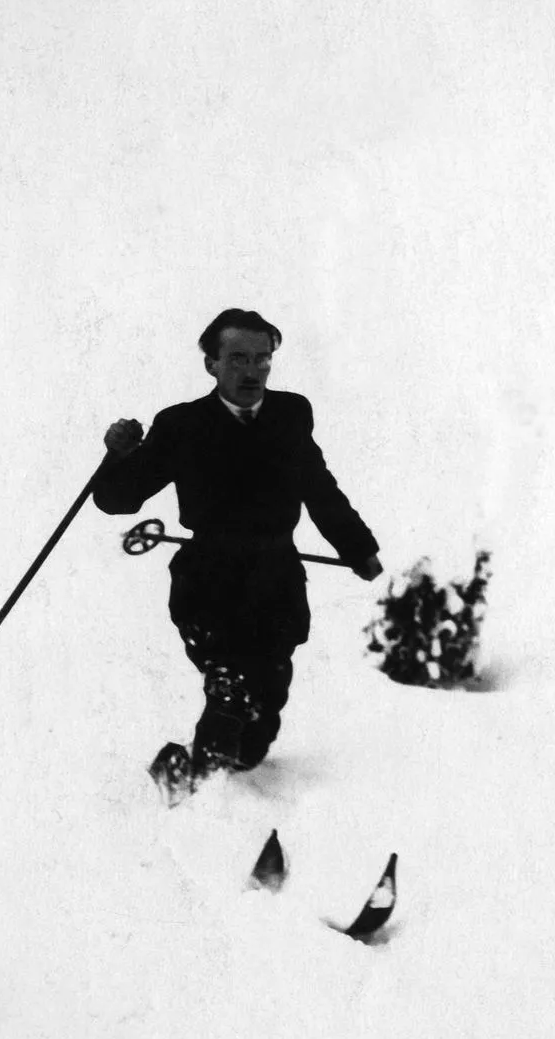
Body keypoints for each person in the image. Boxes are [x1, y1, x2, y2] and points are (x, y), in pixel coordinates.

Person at [95, 307, 383, 800]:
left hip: (277, 582)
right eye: (238, 358)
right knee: (229, 688)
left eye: (262, 359)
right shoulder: (182, 425)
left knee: (257, 726)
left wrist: (358, 548)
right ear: (212, 364)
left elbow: (320, 490)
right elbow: (117, 499)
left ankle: (189, 770)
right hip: (210, 582)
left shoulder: (291, 416)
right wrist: (117, 456)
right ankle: (201, 800)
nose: (252, 370)